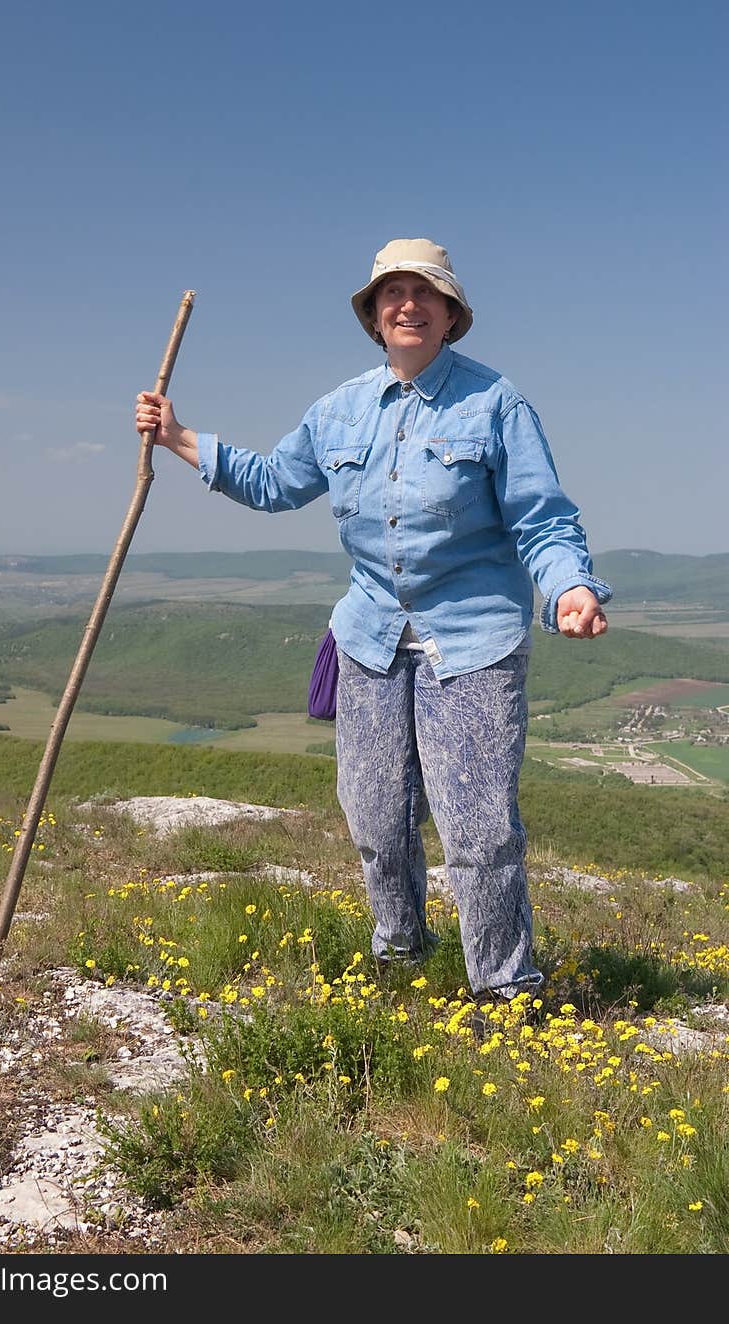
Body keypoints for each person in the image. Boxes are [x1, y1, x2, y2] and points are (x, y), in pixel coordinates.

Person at [135, 236, 611, 1009]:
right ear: (375, 315)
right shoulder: (338, 410)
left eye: (426, 294)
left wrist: (570, 588)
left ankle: (505, 988)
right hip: (370, 641)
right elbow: (276, 481)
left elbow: (544, 521)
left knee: (480, 828)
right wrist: (180, 438)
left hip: (473, 642)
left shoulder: (497, 404)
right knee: (375, 815)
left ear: (451, 315)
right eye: (393, 294)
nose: (408, 305)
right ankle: (400, 956)